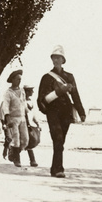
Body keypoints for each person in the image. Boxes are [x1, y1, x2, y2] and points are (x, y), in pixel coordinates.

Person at [37, 45, 86, 178]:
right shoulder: (46, 77)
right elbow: (42, 99)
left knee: (60, 141)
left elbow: (75, 95)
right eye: (54, 57)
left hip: (66, 112)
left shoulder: (69, 76)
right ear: (52, 59)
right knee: (57, 138)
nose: (56, 60)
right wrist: (58, 92)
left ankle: (55, 168)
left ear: (63, 60)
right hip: (53, 112)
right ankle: (59, 168)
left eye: (59, 57)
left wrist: (81, 112)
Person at [0, 70, 28, 167]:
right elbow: (5, 106)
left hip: (22, 118)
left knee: (25, 140)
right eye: (17, 79)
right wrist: (7, 118)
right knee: (15, 139)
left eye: (20, 79)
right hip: (13, 118)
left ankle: (13, 153)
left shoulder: (22, 91)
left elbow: (24, 104)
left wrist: (28, 115)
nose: (19, 81)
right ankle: (17, 159)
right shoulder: (8, 93)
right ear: (12, 80)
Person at [23, 85, 40, 167]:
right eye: (31, 91)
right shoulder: (21, 101)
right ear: (26, 92)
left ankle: (32, 160)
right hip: (22, 124)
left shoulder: (31, 101)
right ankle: (32, 160)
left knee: (31, 140)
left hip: (30, 125)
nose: (32, 92)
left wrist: (37, 123)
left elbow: (33, 114)